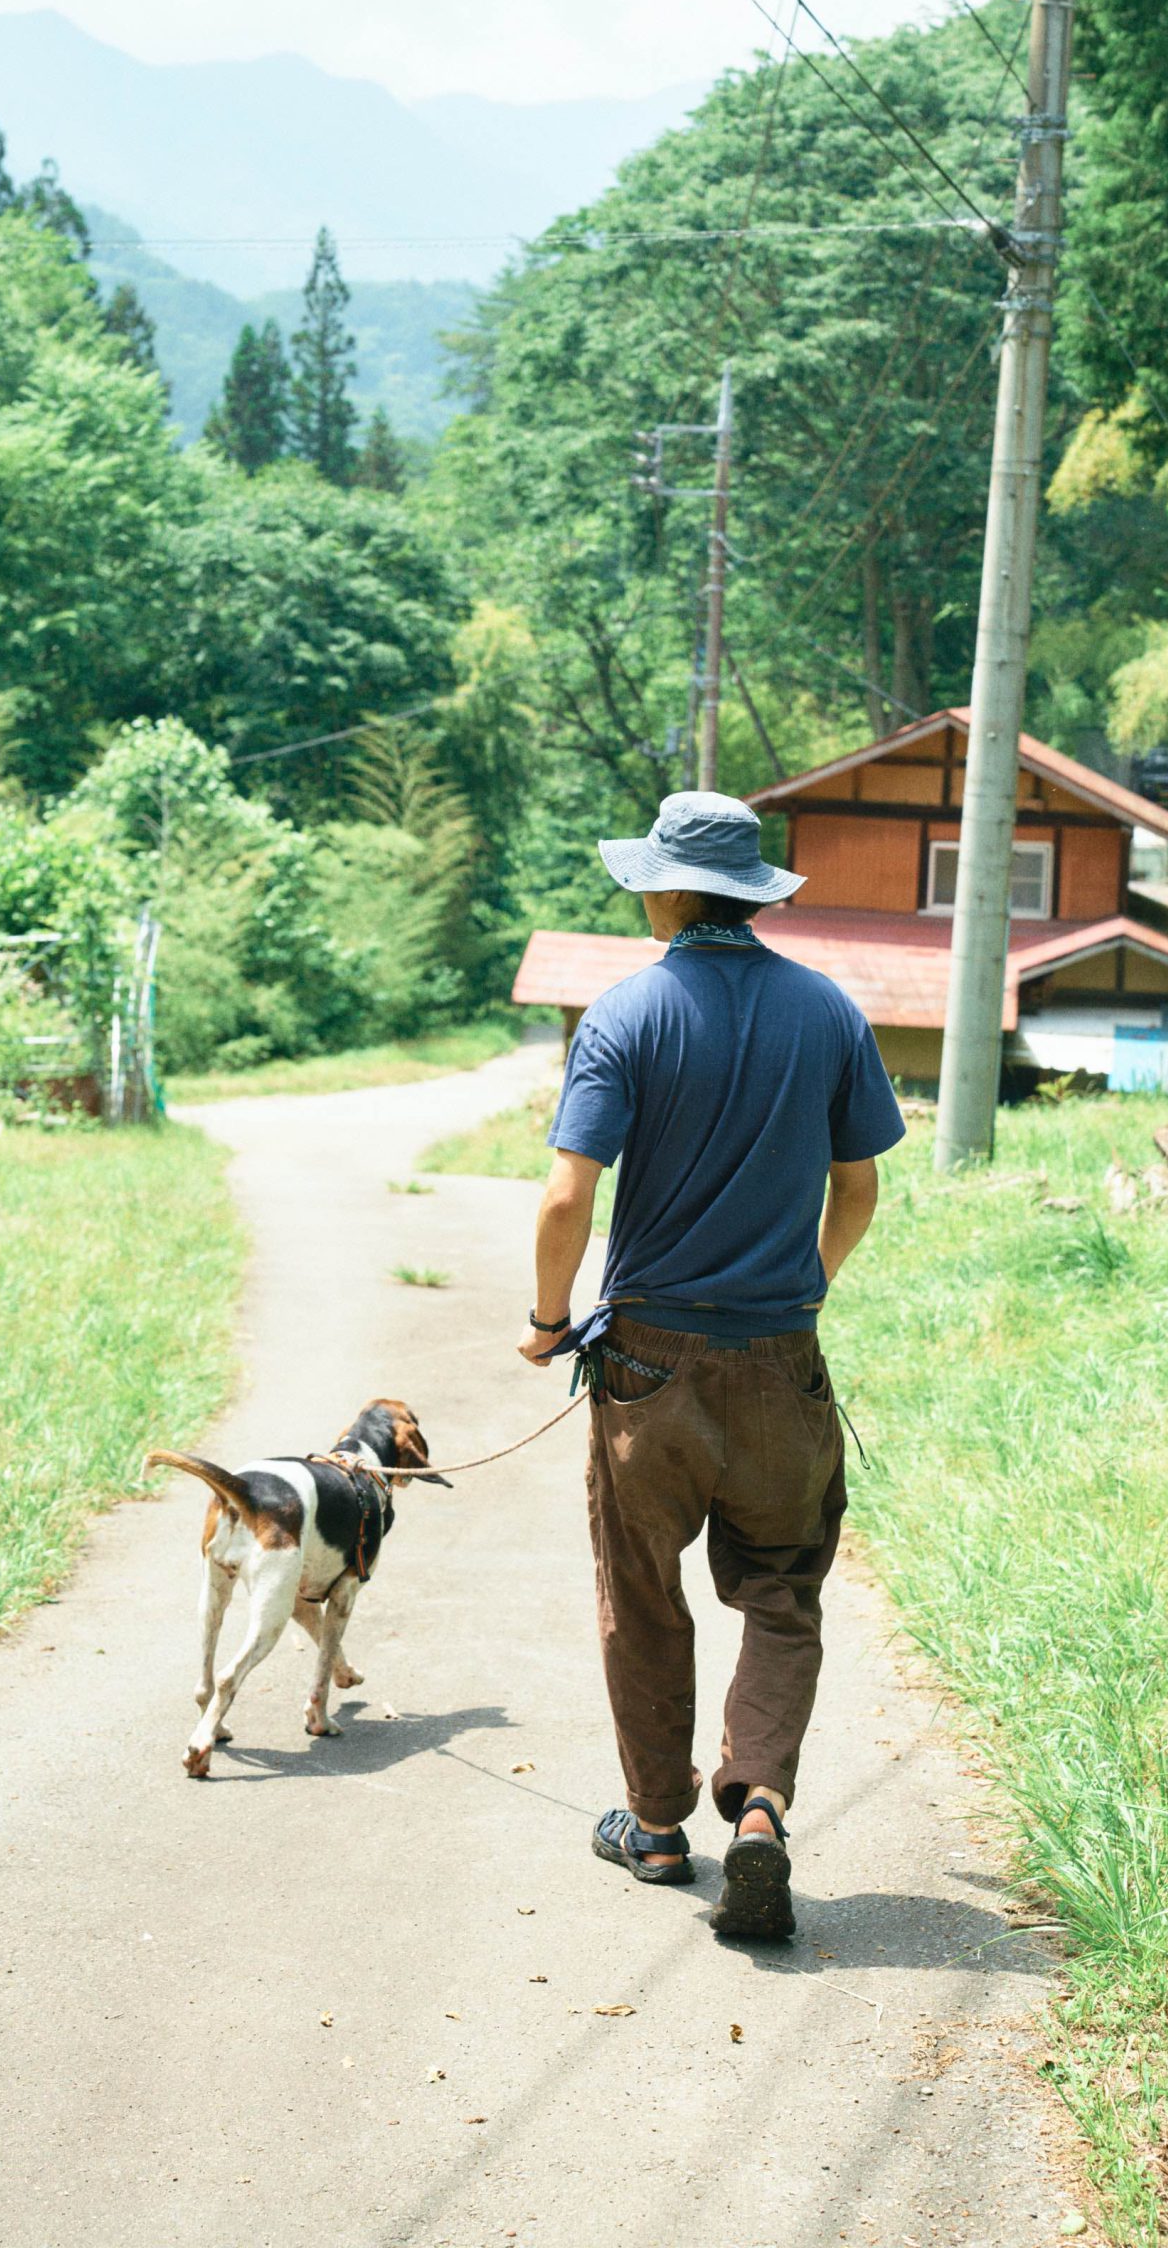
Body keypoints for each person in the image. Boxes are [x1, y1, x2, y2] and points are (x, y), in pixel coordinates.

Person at [518, 789, 904, 1940]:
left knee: (643, 1592)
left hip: (647, 1364)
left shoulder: (627, 1014)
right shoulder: (828, 1011)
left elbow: (566, 1194)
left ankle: (655, 1824)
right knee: (780, 1595)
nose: (638, 892)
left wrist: (548, 1320)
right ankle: (760, 1810)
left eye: (646, 877)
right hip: (781, 1362)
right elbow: (861, 1186)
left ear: (677, 890)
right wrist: (806, 1284)